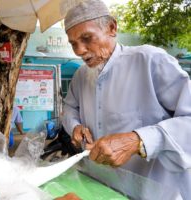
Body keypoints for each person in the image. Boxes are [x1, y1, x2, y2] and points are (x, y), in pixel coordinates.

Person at [62, 0, 191, 199]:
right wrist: (75, 127)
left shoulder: (150, 61)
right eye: (73, 44)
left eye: (87, 38)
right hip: (101, 188)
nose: (79, 51)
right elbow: (69, 108)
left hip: (156, 193)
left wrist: (138, 140)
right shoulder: (81, 75)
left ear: (112, 28)